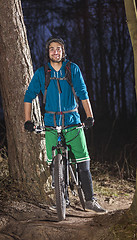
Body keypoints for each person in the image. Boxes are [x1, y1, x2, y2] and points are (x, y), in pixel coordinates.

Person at [24, 36, 107, 213]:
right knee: (54, 163)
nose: (55, 51)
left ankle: (91, 199)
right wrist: (27, 120)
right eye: (52, 48)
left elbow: (83, 93)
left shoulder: (72, 69)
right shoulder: (42, 73)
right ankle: (63, 200)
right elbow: (28, 96)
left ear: (63, 51)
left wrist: (89, 116)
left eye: (59, 48)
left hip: (72, 122)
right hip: (51, 123)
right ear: (48, 52)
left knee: (83, 161)